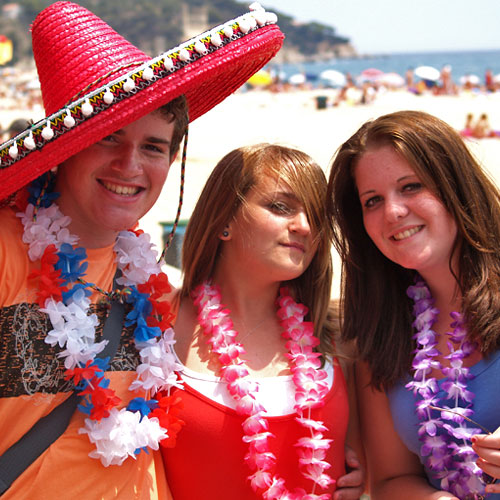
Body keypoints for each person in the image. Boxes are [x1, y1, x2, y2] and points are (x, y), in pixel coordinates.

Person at [0, 2, 284, 499]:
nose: (130, 164)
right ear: (64, 151)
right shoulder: (6, 249)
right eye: (109, 137)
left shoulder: (150, 284)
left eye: (153, 146)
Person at [160, 144, 365, 499]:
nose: (304, 226)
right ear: (224, 220)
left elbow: (377, 463)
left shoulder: (336, 334)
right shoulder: (157, 322)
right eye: (280, 207)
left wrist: (365, 481)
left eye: (315, 215)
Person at [327, 110, 500, 499]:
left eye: (410, 186)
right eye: (372, 200)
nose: (392, 212)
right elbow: (390, 481)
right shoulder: (383, 334)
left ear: (455, 185)